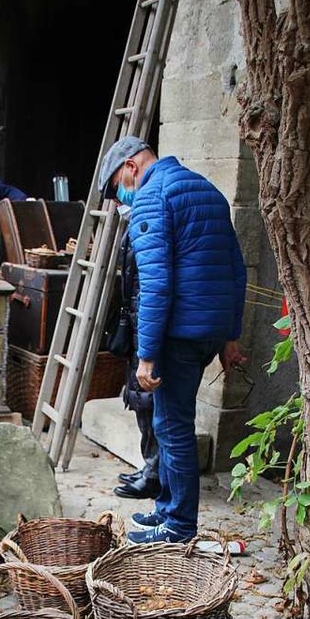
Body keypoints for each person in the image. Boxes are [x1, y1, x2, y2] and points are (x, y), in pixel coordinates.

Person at [98, 136, 247, 544]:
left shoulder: (151, 196)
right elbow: (237, 268)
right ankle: (167, 510)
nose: (118, 199)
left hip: (179, 334)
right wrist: (229, 336)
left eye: (114, 188)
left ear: (130, 167)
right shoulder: (207, 189)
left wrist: (145, 356)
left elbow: (155, 286)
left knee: (172, 427)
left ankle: (179, 527)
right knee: (174, 422)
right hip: (208, 331)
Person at [113, 223, 160, 500]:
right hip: (137, 318)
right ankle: (149, 467)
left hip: (147, 323)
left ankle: (154, 474)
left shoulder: (153, 217)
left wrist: (147, 351)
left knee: (148, 401)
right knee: (141, 401)